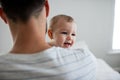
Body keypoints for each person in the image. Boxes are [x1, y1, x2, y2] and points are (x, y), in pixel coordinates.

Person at [0, 0, 96, 80]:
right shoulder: (86, 59)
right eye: (64, 33)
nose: (70, 37)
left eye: (73, 34)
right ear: (46, 7)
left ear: (3, 15)